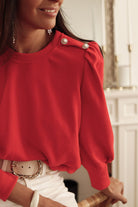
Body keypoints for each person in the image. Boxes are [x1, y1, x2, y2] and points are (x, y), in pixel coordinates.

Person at [0, 0, 127, 206]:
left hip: (48, 186)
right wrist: (38, 202)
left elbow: (93, 132)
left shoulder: (81, 58)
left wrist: (102, 179)